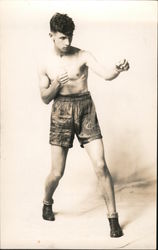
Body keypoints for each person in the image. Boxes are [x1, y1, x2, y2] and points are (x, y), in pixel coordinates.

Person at [38, 12, 129, 238]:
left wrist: (117, 68)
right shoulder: (44, 62)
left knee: (100, 164)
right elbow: (44, 97)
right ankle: (47, 201)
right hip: (60, 111)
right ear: (51, 35)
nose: (67, 42)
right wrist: (57, 83)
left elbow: (106, 74)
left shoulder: (83, 55)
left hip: (85, 108)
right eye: (62, 38)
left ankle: (113, 219)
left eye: (69, 36)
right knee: (57, 172)